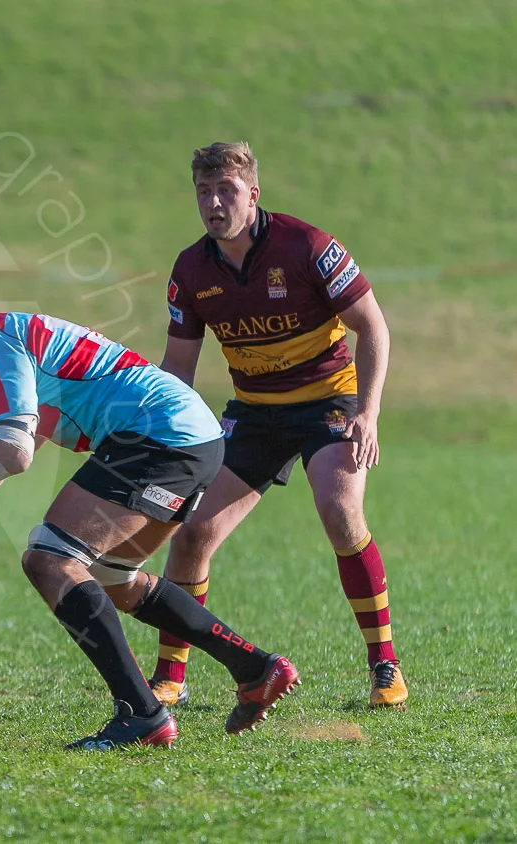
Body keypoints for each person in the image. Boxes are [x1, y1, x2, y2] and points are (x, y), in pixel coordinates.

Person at [0, 261, 300, 750]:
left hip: (158, 436)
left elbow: (12, 450)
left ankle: (142, 716)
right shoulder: (2, 331)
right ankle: (256, 667)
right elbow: (48, 410)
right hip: (191, 436)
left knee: (49, 560)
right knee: (115, 579)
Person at [148, 143, 406, 710]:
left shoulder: (307, 246)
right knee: (191, 533)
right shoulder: (190, 271)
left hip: (328, 404)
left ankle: (384, 666)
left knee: (340, 513)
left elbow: (374, 328)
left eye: (226, 190)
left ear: (252, 194)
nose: (214, 203)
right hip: (255, 413)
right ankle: (171, 674)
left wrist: (368, 410)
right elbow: (178, 370)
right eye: (203, 191)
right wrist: (165, 440)